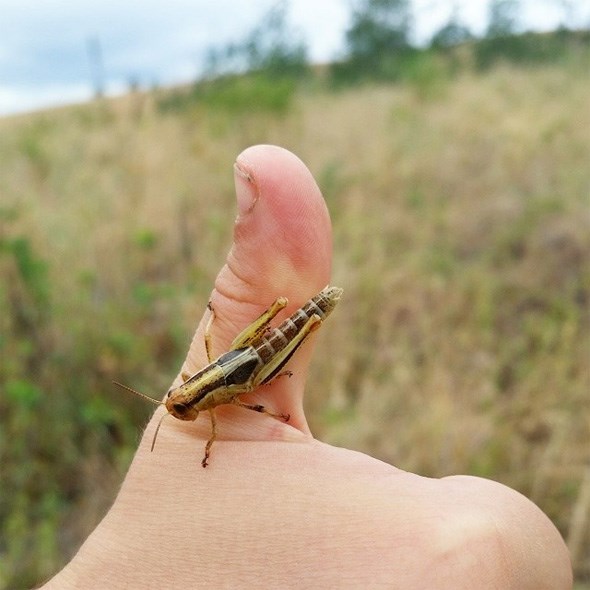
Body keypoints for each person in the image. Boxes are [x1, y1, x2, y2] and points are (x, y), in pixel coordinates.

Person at [42, 145, 572, 589]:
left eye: (178, 404)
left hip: (255, 355)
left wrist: (236, 365)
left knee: (267, 365)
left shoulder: (207, 404)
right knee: (261, 370)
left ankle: (309, 312)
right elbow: (221, 384)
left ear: (190, 397)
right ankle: (307, 314)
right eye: (176, 407)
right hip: (245, 362)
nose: (177, 407)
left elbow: (231, 382)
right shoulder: (202, 401)